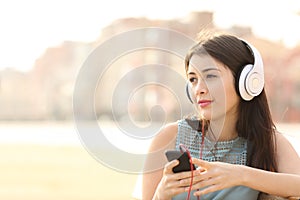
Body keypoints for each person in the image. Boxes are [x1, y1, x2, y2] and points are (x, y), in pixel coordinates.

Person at [142, 31, 300, 200]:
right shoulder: (169, 137)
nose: (198, 89)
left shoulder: (268, 141)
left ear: (245, 81)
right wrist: (161, 194)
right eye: (193, 79)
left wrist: (241, 174)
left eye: (210, 76)